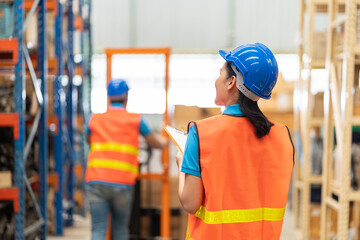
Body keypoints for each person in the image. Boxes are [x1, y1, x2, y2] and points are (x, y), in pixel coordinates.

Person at [176, 43, 294, 240]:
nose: (216, 80)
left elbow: (189, 203)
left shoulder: (200, 133)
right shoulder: (283, 136)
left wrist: (182, 165)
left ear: (231, 82)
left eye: (219, 73)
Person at [85, 79, 168, 240]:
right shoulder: (135, 120)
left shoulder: (94, 119)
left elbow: (89, 139)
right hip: (122, 183)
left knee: (98, 229)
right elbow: (155, 142)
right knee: (121, 231)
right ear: (126, 97)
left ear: (108, 98)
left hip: (96, 181)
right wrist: (167, 141)